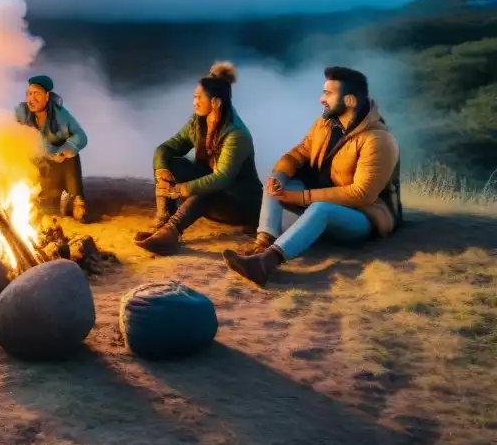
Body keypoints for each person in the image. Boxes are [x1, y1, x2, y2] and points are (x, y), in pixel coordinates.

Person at [223, 66, 402, 286]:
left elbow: (362, 194)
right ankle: (263, 243)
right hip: (323, 199)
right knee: (276, 185)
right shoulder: (324, 124)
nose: (321, 99)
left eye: (328, 93)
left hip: (364, 216)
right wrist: (279, 176)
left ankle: (266, 263)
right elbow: (299, 153)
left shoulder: (378, 140)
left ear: (350, 101)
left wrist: (303, 197)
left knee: (321, 209)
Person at [135, 62, 262, 255]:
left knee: (210, 186)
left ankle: (171, 233)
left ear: (216, 102)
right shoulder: (198, 122)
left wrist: (180, 189)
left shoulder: (235, 134)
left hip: (240, 205)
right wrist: (162, 170)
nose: (194, 102)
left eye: (198, 97)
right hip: (214, 193)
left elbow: (222, 178)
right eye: (194, 97)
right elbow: (167, 148)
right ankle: (163, 220)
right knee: (170, 162)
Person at [0, 74, 90, 222]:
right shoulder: (21, 113)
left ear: (47, 96)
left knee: (72, 156)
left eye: (36, 94)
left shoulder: (60, 115)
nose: (32, 99)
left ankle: (77, 202)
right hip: (35, 165)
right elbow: (8, 134)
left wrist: (63, 150)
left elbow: (81, 137)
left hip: (57, 166)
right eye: (29, 94)